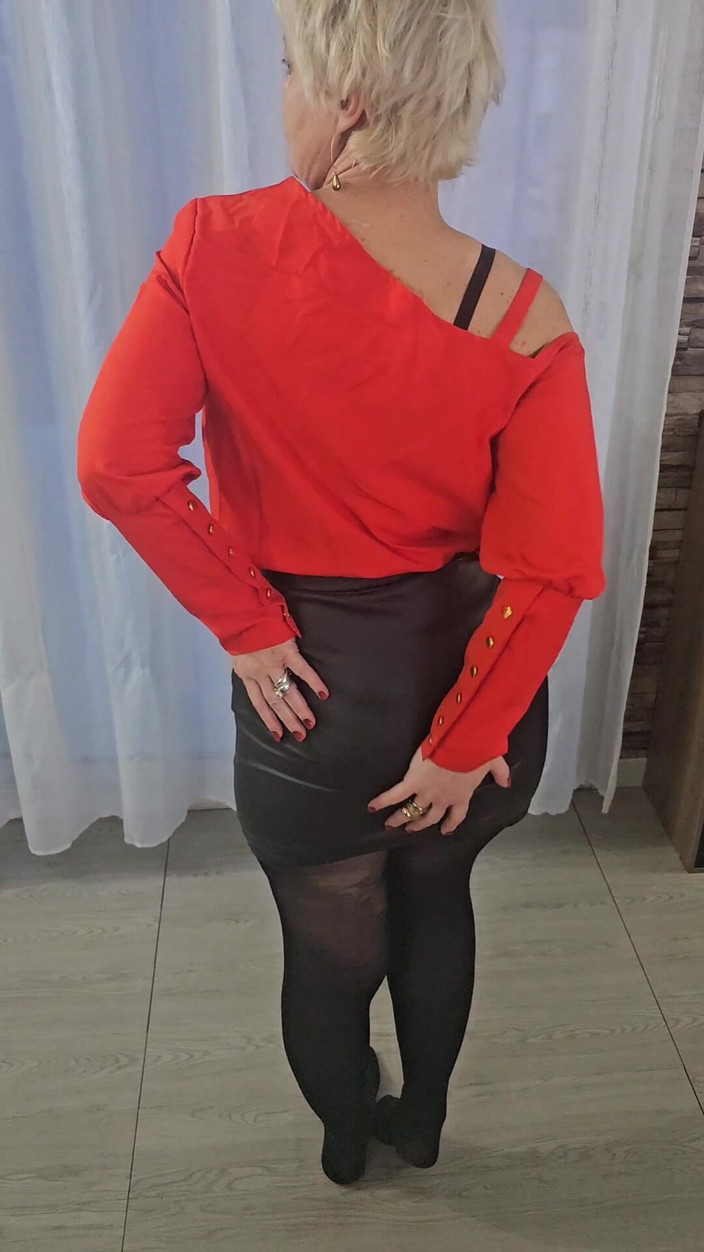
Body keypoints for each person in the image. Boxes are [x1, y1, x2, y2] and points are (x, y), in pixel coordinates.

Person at [76, 0, 606, 1187]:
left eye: (288, 66)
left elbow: (116, 466)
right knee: (437, 898)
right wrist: (463, 741)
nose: (281, 91)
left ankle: (342, 1141)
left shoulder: (214, 248)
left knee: (326, 946)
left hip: (310, 697)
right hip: (470, 677)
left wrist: (247, 623)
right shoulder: (526, 314)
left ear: (348, 100)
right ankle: (420, 1123)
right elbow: (555, 565)